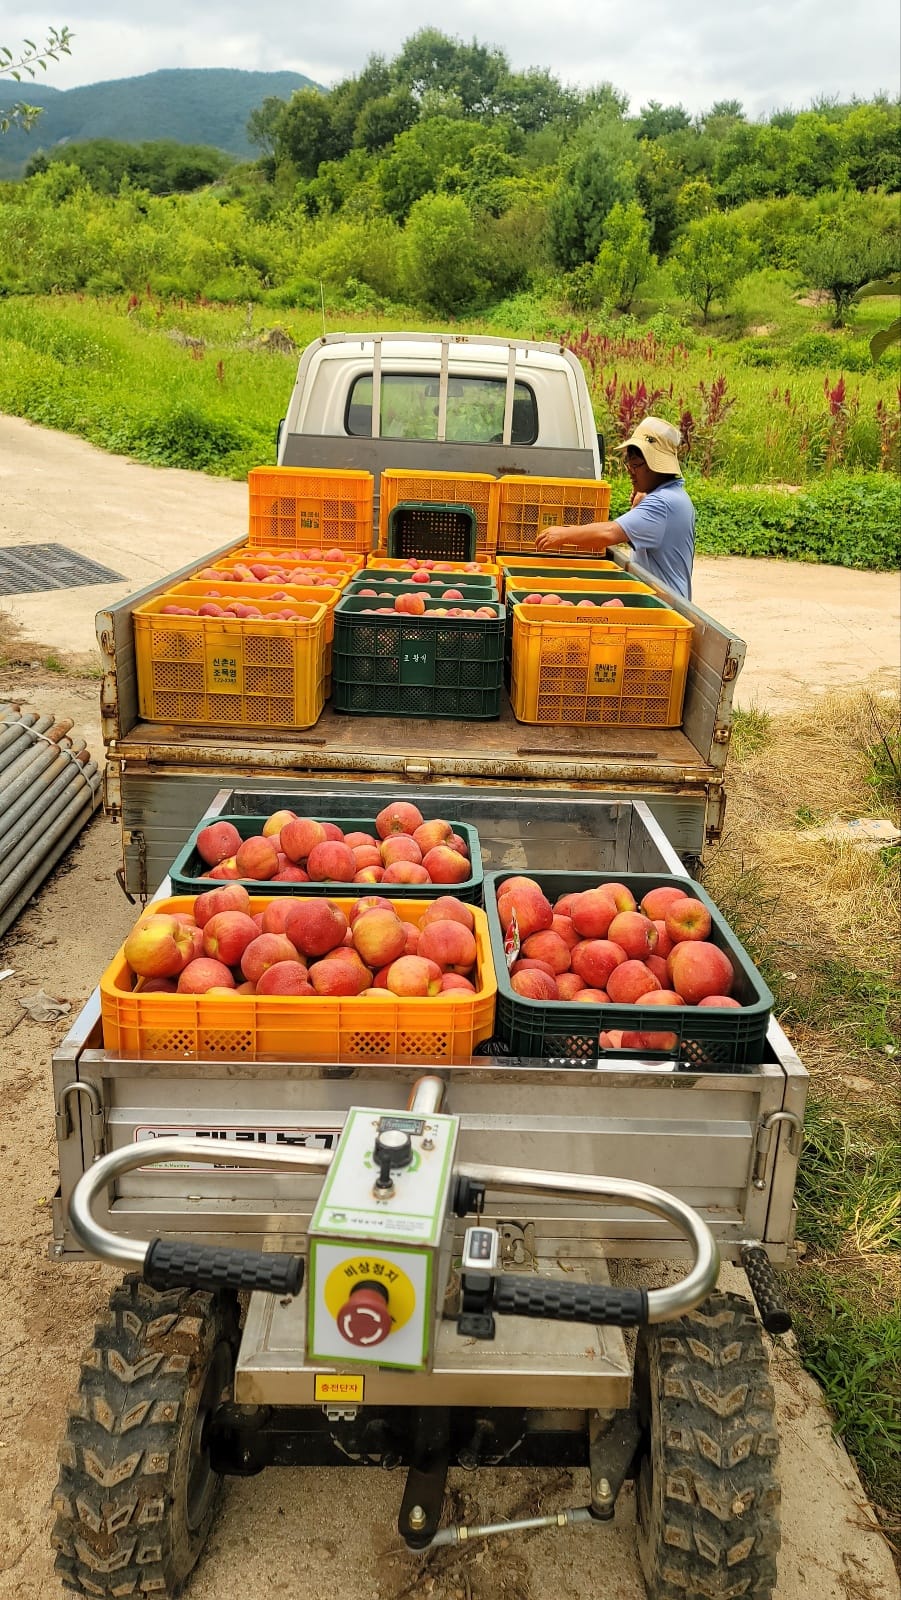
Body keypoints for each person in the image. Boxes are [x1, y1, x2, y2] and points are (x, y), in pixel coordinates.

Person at [535, 418, 696, 599]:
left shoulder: (662, 503)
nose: (630, 471)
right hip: (665, 599)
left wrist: (563, 534)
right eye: (629, 464)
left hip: (667, 603)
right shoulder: (673, 496)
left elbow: (609, 533)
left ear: (656, 465)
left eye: (636, 465)